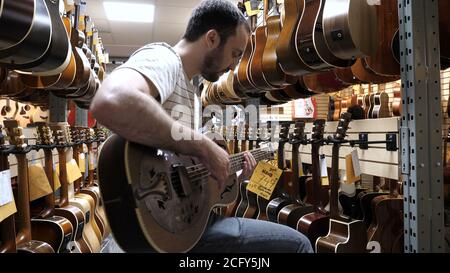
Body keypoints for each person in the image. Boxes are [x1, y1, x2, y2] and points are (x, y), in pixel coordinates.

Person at [90, 0, 313, 253]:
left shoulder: (192, 95)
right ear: (212, 38)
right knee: (299, 245)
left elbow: (185, 173)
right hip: (156, 229)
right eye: (235, 53)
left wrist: (233, 178)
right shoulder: (164, 59)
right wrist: (206, 147)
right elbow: (111, 101)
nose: (233, 65)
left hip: (180, 226)